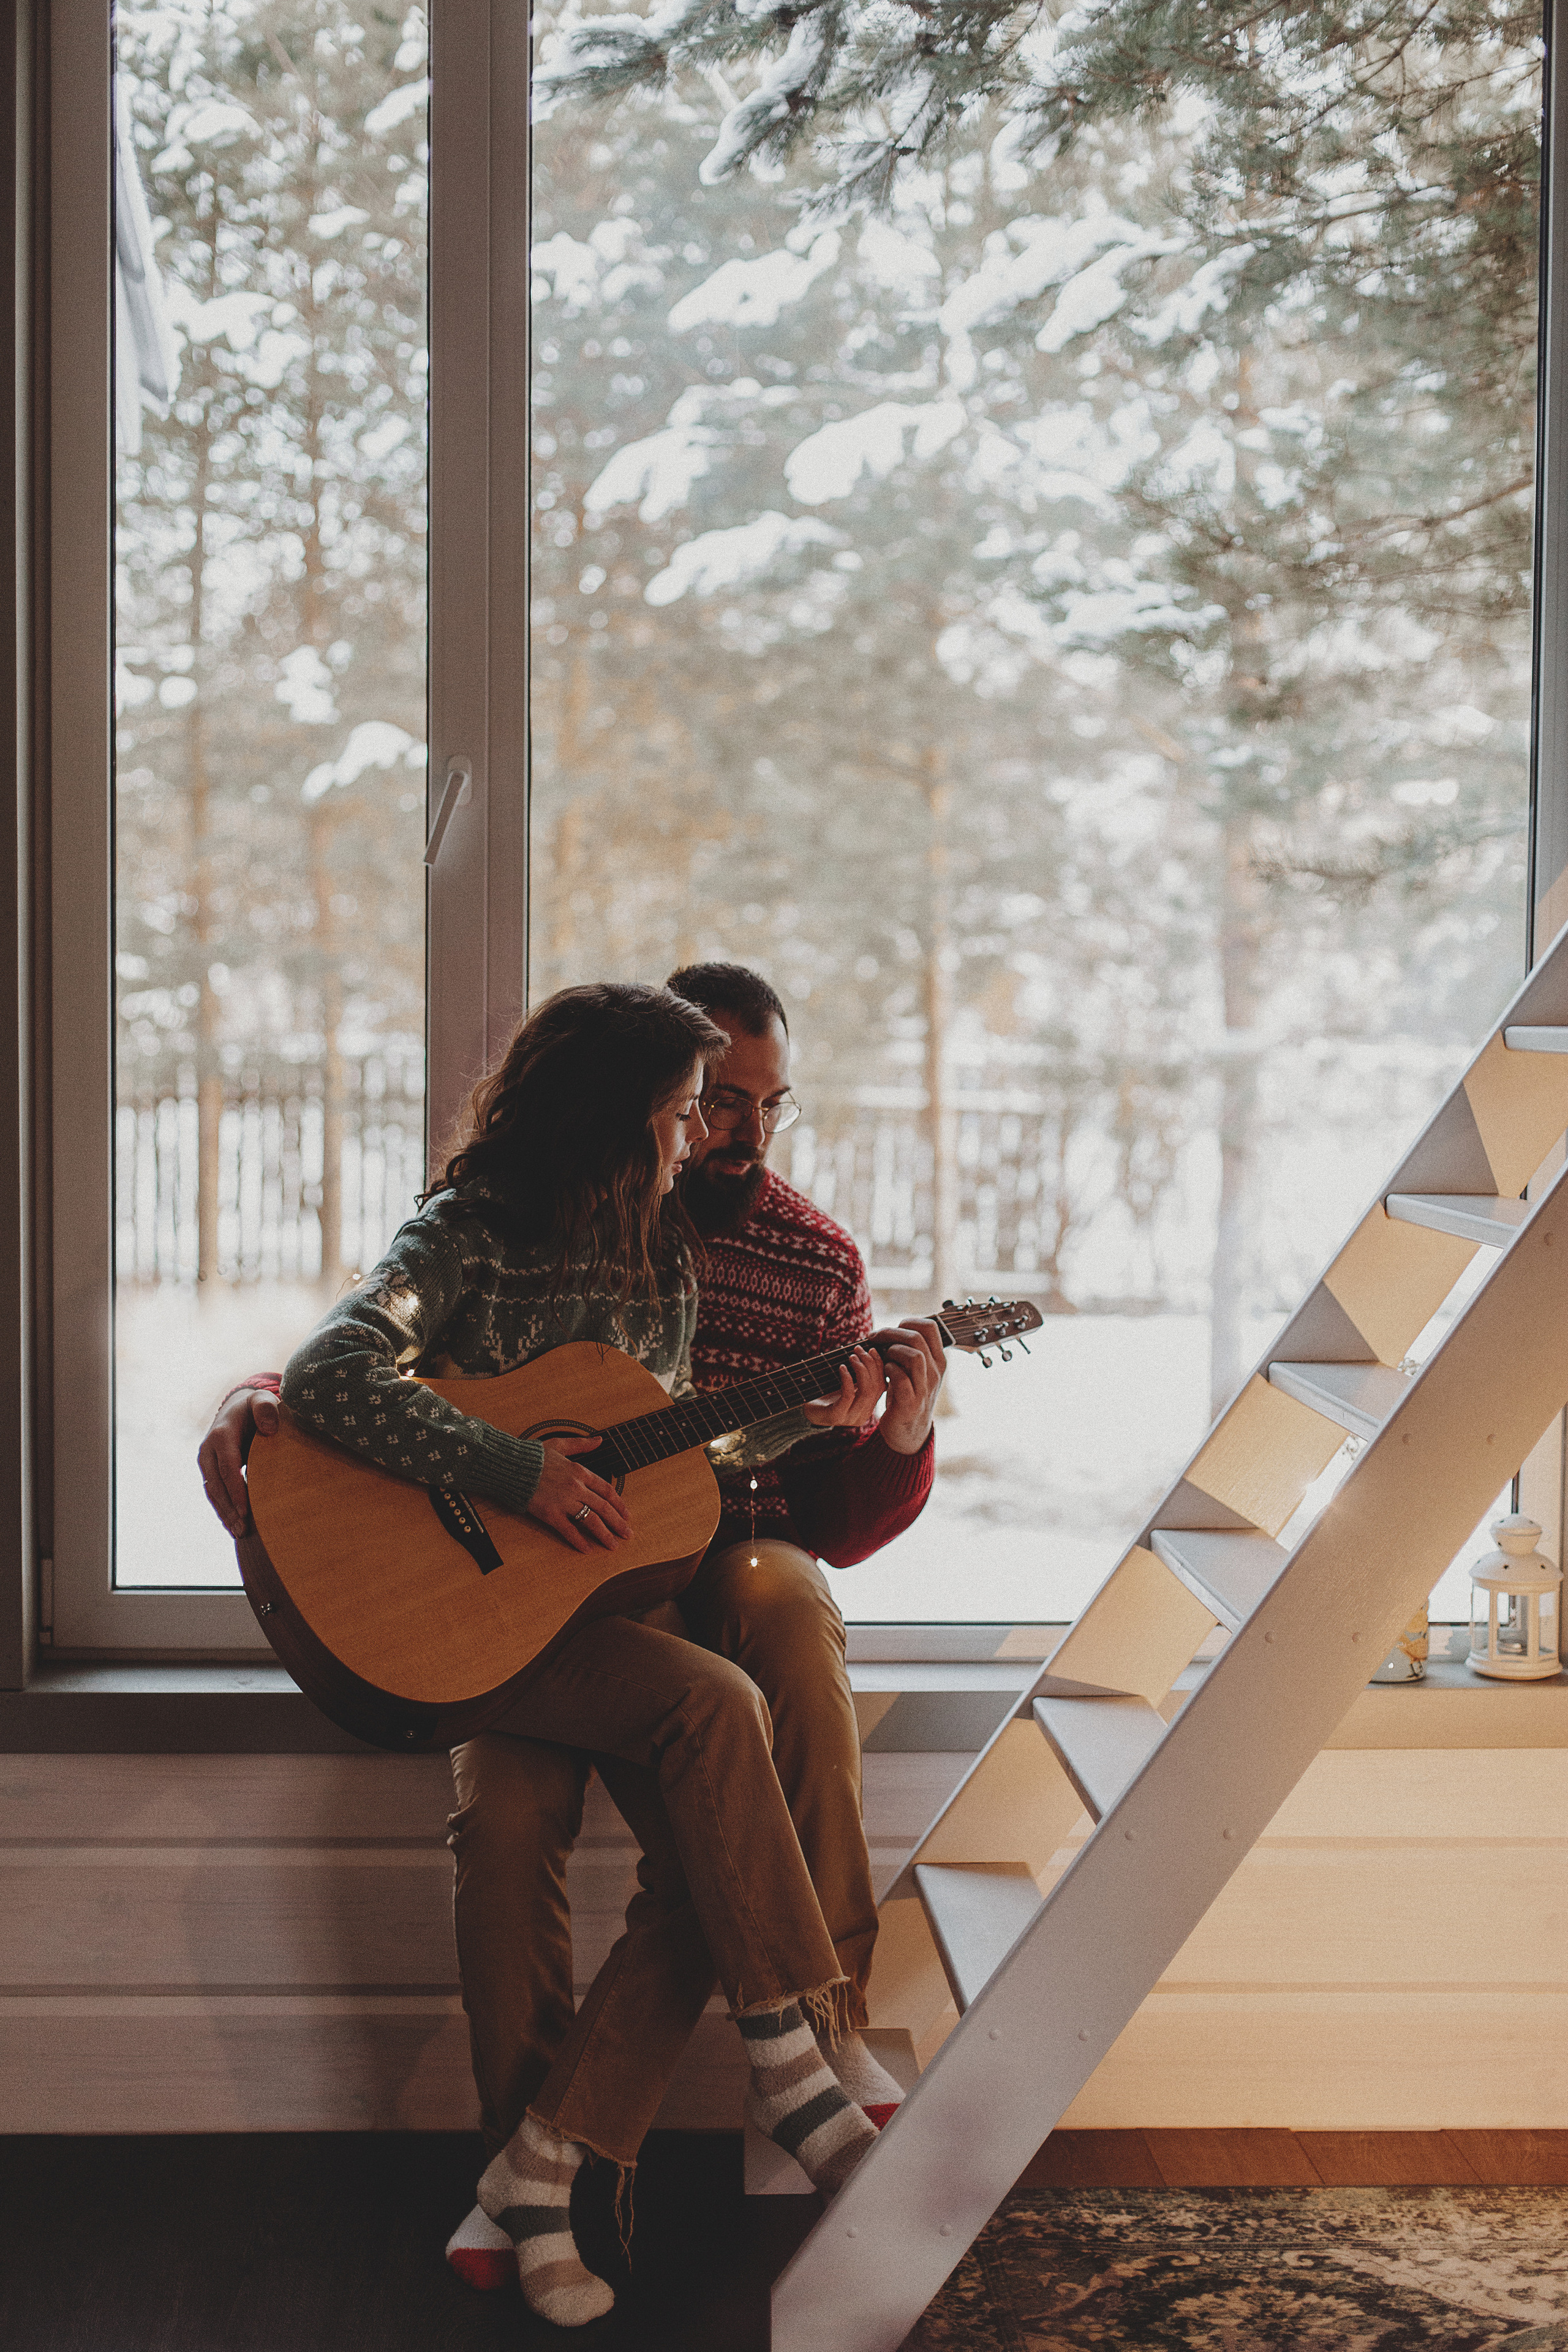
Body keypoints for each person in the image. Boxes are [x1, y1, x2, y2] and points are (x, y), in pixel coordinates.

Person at [198, 967, 946, 2313]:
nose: (716, 1138)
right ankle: (713, 2091)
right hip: (463, 1609)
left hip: (600, 1595)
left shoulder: (672, 1250)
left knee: (724, 1728)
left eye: (751, 1110)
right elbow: (335, 1368)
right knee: (531, 1817)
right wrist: (507, 1470)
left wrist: (835, 1425)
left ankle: (553, 2167)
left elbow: (666, 1448)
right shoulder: (471, 1233)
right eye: (693, 1110)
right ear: (627, 1114)